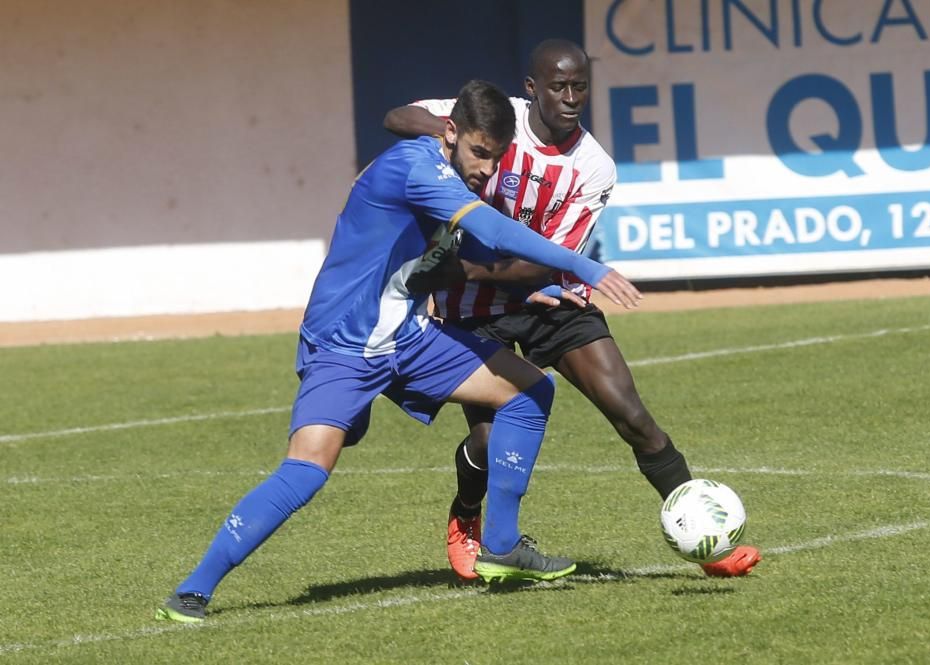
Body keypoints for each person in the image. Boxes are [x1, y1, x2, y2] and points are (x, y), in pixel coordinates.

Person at [155, 79, 643, 623]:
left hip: (408, 337)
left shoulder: (451, 176)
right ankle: (193, 591)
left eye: (497, 157)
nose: (486, 168)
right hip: (346, 343)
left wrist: (528, 287)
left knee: (530, 390)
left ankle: (501, 546)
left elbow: (471, 250)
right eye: (480, 152)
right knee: (308, 469)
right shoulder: (415, 167)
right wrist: (586, 266)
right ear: (451, 132)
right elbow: (493, 229)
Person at [384, 39, 761, 580]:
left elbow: (543, 266)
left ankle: (708, 542)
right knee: (489, 441)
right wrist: (450, 134)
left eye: (579, 86)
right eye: (557, 87)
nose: (570, 97)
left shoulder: (594, 167)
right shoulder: (497, 118)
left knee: (632, 414)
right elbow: (398, 116)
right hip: (472, 307)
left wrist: (454, 268)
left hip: (547, 299)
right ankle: (467, 515)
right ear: (531, 89)